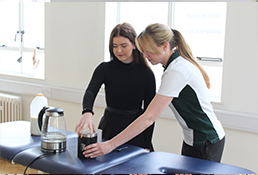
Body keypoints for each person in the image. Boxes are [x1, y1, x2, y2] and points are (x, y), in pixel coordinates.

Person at [83, 23, 225, 163]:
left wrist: (111, 145)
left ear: (164, 46)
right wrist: (87, 112)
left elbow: (149, 117)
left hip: (205, 140)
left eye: (148, 50)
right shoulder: (172, 67)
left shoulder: (176, 70)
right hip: (192, 139)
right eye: (143, 50)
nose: (144, 55)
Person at [75, 23, 156, 151]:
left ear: (134, 45)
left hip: (135, 130)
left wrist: (146, 144)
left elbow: (150, 113)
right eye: (114, 46)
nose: (119, 50)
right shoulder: (104, 69)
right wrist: (87, 111)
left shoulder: (146, 74)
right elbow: (91, 90)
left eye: (124, 46)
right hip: (110, 127)